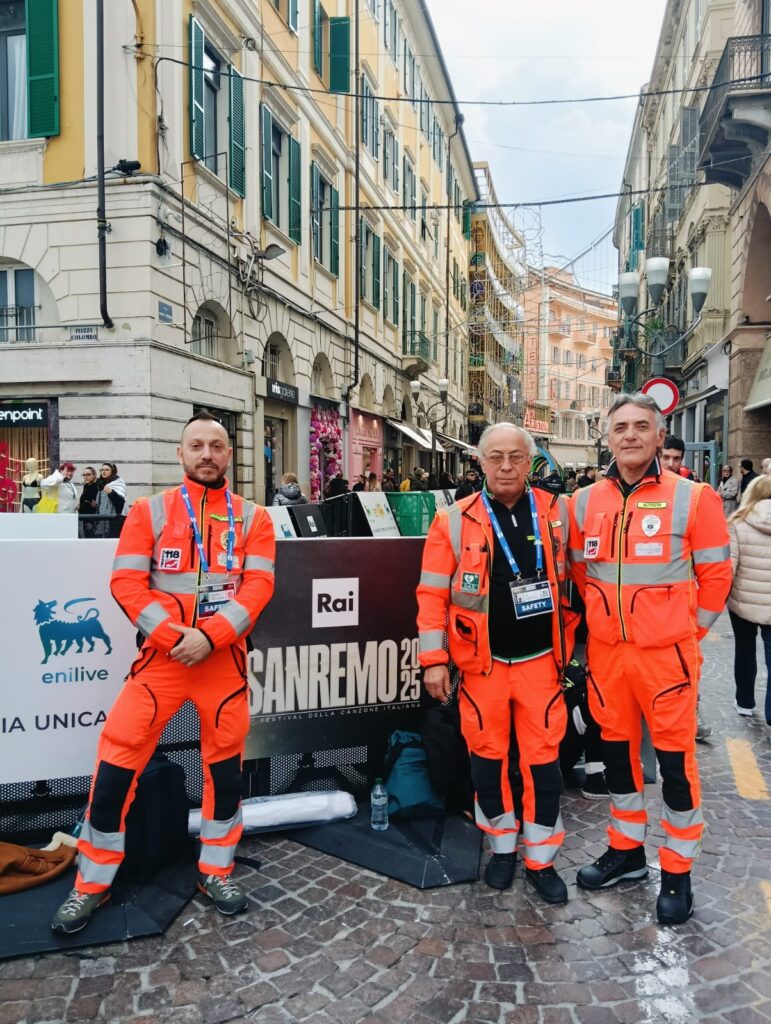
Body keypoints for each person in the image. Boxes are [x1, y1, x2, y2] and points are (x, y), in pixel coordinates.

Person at [51, 410, 276, 935]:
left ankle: (216, 871)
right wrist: (180, 638)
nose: (206, 454)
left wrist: (212, 637)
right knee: (115, 767)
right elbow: (127, 585)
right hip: (163, 662)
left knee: (224, 775)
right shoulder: (149, 512)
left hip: (223, 665)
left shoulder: (254, 518)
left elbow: (258, 590)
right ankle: (91, 884)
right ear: (180, 454)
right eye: (196, 445)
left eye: (216, 446)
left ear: (229, 455)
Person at [568, 392, 731, 925]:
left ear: (661, 436)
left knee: (675, 767)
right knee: (617, 760)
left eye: (643, 426)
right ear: (608, 436)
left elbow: (716, 576)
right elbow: (579, 575)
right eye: (622, 427)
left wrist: (687, 634)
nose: (632, 435)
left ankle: (678, 870)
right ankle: (627, 853)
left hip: (667, 661)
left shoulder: (694, 497)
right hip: (609, 661)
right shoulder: (584, 502)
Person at [416, 422, 578, 904]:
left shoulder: (558, 513)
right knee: (487, 764)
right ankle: (503, 849)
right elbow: (431, 594)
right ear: (480, 463)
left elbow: (582, 583)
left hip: (542, 665)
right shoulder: (451, 520)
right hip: (481, 668)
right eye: (496, 457)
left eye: (516, 457)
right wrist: (433, 660)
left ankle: (541, 859)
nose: (506, 466)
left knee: (544, 765)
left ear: (530, 463)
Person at [727, 474, 771, 725]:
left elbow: (728, 569)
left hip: (743, 602)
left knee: (744, 651)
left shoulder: (737, 523)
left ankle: (745, 702)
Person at [95, 463, 127, 538]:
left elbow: (121, 503)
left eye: (107, 470)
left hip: (113, 520)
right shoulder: (101, 484)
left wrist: (111, 493)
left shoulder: (117, 484)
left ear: (112, 471)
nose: (104, 472)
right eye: (102, 470)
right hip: (101, 520)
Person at [78, 467, 100, 537]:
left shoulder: (98, 486)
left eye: (88, 474)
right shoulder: (86, 486)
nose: (85, 477)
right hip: (84, 518)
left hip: (93, 519)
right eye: (84, 475)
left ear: (94, 475)